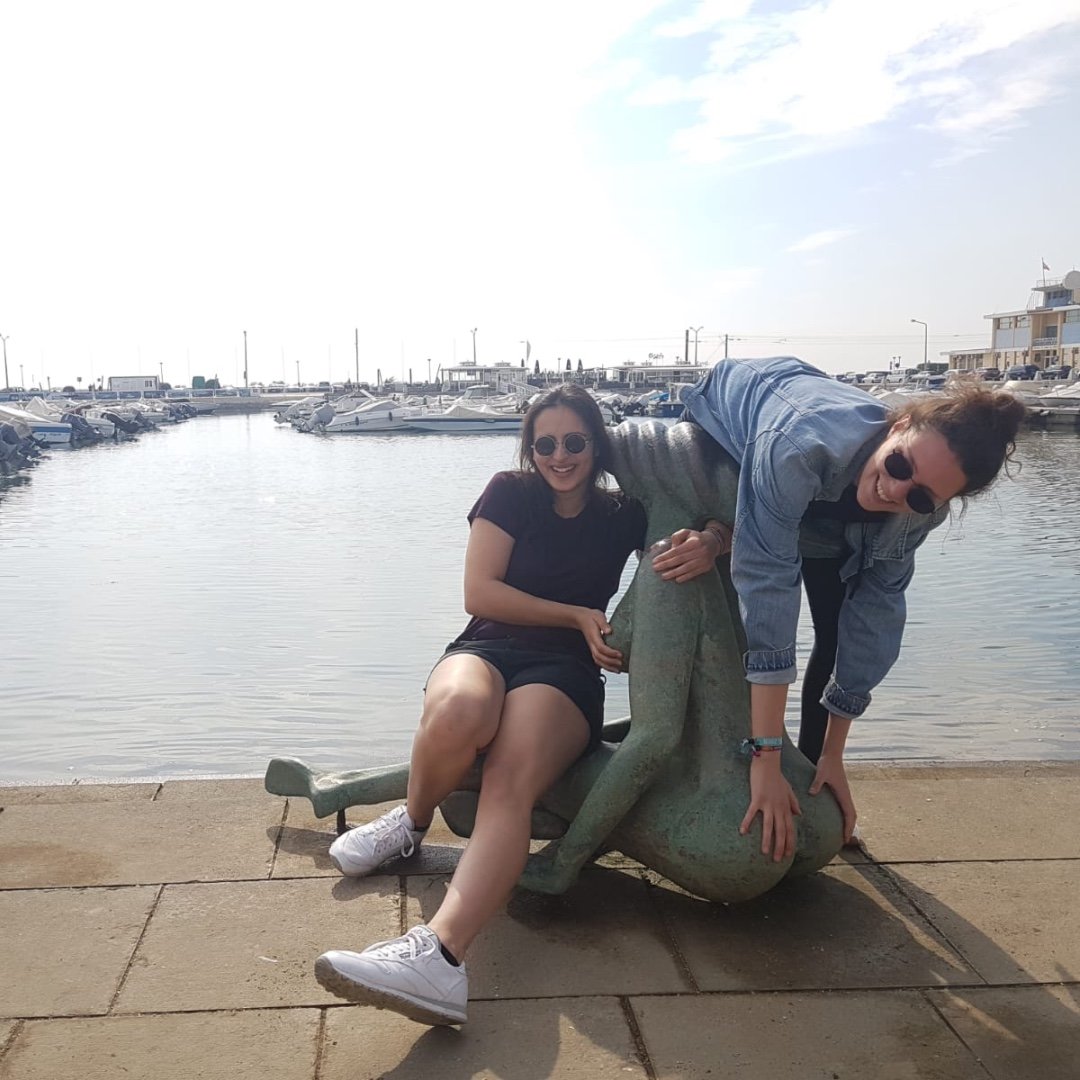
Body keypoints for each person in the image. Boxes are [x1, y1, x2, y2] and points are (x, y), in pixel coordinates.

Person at [312, 384, 718, 1026]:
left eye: (575, 441)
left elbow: (709, 512)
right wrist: (578, 613)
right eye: (545, 443)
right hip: (487, 645)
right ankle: (411, 822)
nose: (560, 455)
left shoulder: (624, 513)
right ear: (530, 448)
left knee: (510, 778)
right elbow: (480, 593)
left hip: (565, 672)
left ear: (596, 444)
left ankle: (440, 959)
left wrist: (715, 539)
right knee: (457, 713)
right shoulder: (509, 492)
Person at [674, 356, 1025, 860]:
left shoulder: (916, 514)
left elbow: (874, 619)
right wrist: (766, 760)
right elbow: (768, 589)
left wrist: (834, 756)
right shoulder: (797, 444)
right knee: (740, 613)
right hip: (731, 420)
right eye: (900, 465)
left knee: (838, 632)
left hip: (829, 500)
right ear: (898, 425)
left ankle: (812, 782)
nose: (895, 490)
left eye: (921, 497)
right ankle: (727, 764)